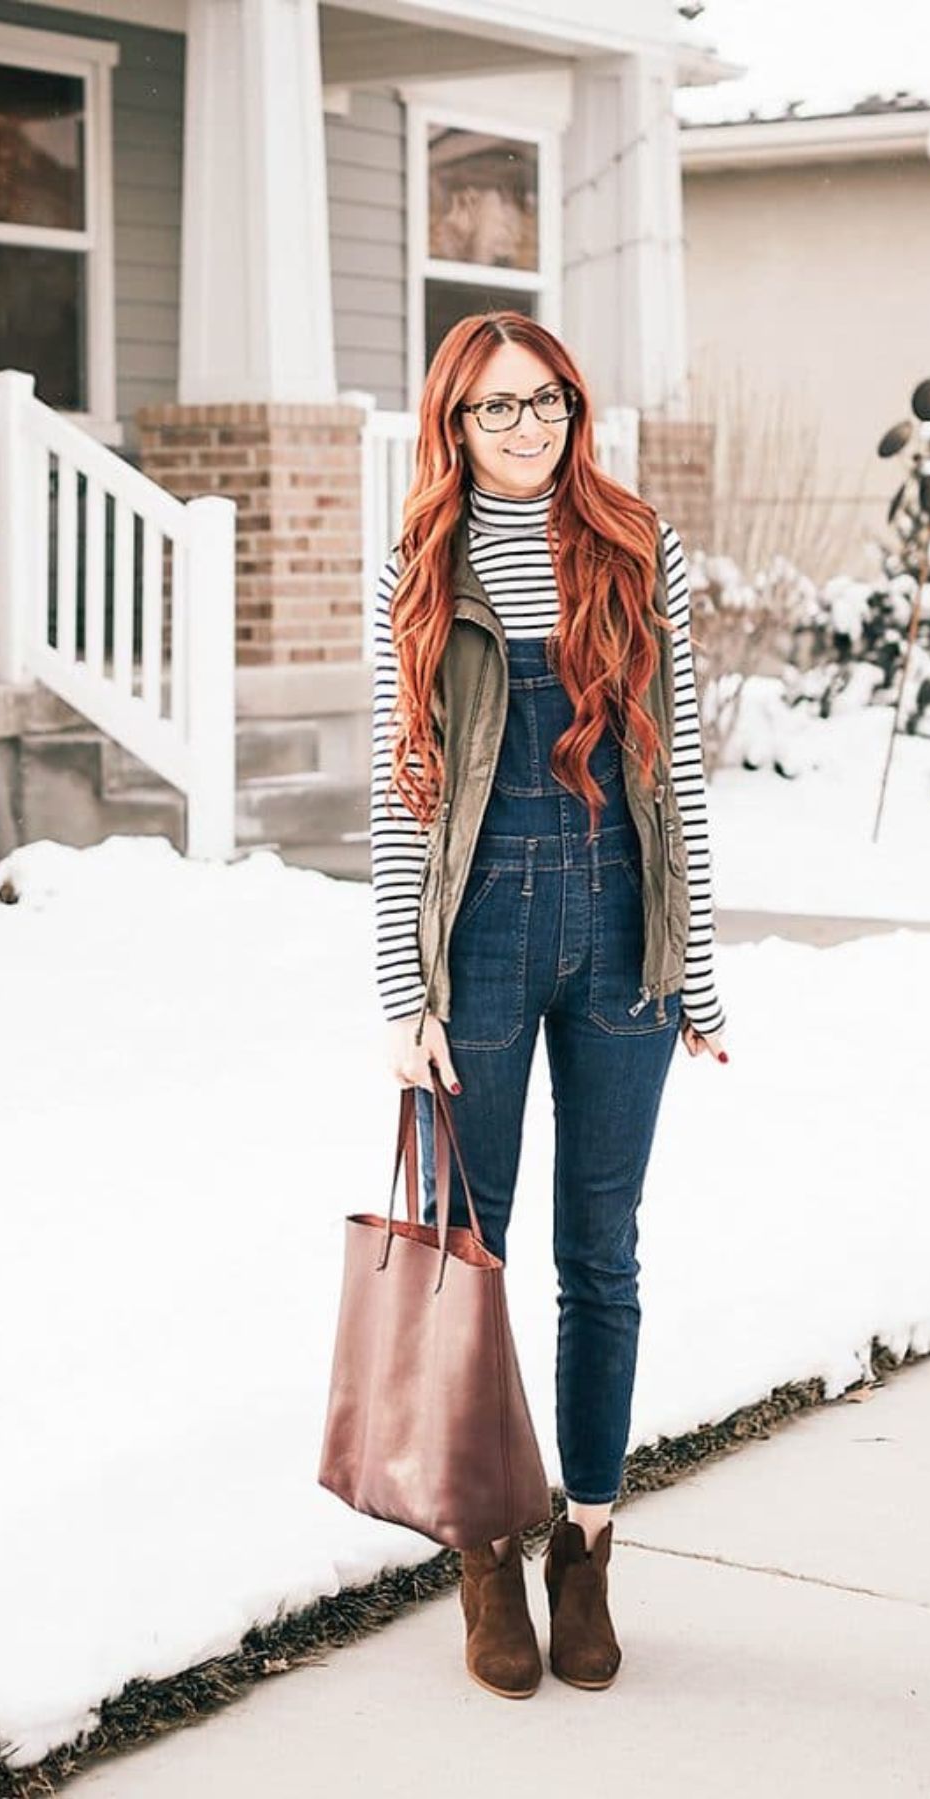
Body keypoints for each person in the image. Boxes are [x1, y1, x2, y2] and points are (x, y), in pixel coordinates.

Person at [369, 311, 729, 1698]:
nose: (527, 433)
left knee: (604, 1252)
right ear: (451, 426)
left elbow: (678, 769)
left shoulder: (639, 549)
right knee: (472, 1261)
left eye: (549, 407)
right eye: (496, 411)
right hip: (483, 944)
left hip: (618, 926)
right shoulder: (422, 565)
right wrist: (403, 993)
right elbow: (402, 788)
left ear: (578, 413)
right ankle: (482, 1559)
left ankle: (584, 1540)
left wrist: (695, 961)